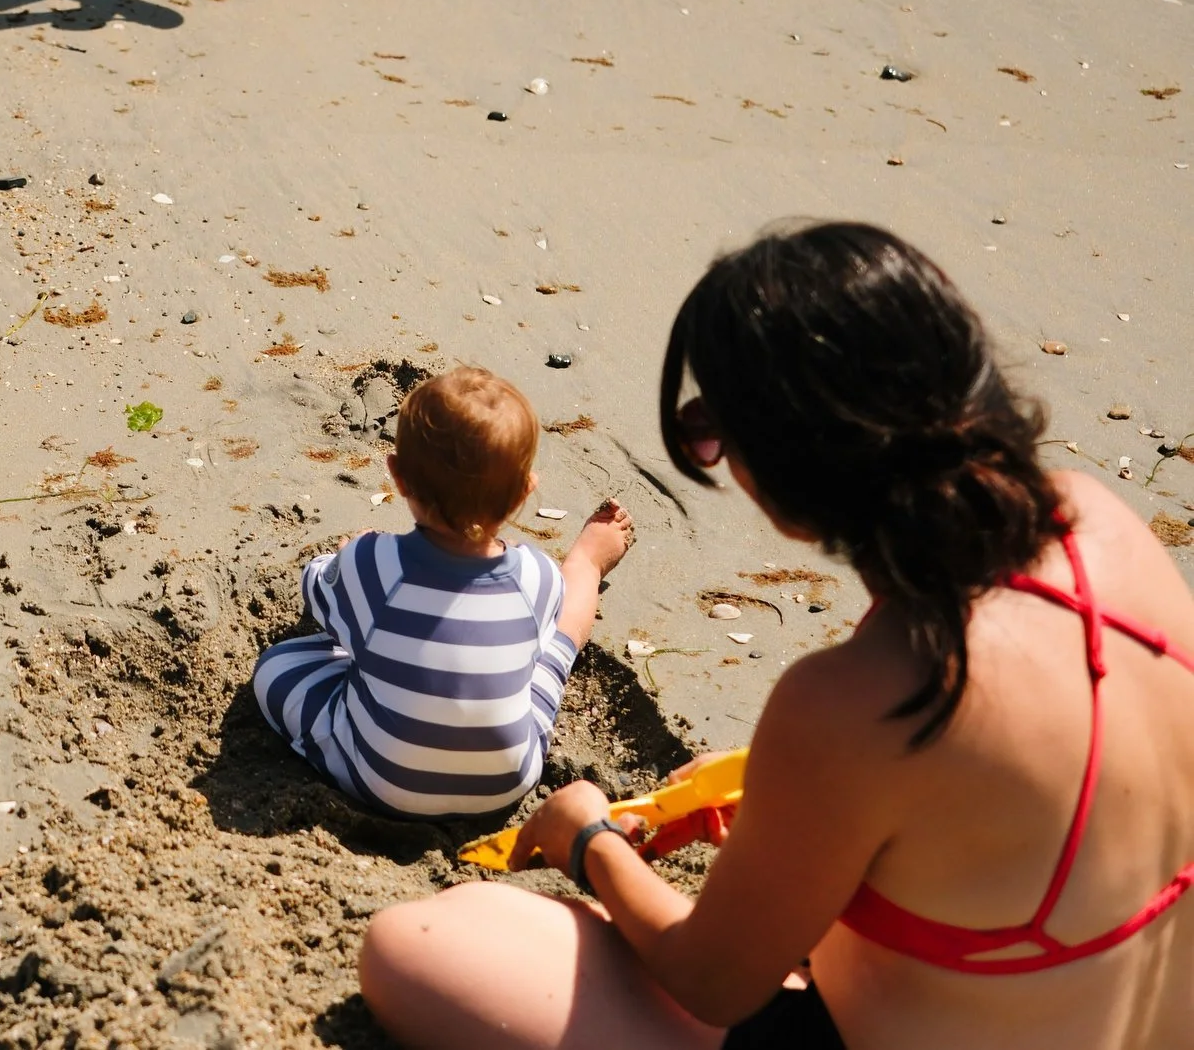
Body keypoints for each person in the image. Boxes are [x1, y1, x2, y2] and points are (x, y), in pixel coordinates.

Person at [357, 222, 1194, 1049]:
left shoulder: (857, 699)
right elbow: (1015, 775)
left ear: (781, 475)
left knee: (424, 943)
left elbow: (712, 981)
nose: (711, 453)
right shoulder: (1096, 519)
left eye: (709, 431)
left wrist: (588, 839)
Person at [254, 368, 635, 818]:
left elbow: (315, 591)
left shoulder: (371, 564)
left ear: (396, 475)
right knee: (553, 648)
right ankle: (587, 563)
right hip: (506, 783)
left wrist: (344, 557)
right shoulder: (537, 575)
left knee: (279, 665)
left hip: (384, 782)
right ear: (524, 493)